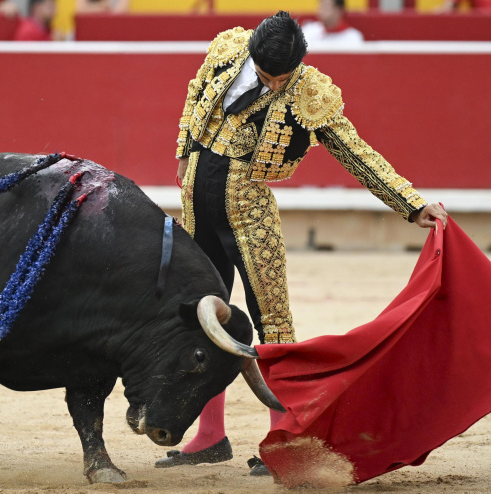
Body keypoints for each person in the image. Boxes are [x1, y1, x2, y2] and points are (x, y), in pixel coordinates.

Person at [161, 11, 447, 476]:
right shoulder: (228, 50)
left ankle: (285, 442)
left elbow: (353, 150)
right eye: (266, 77)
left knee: (273, 322)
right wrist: (183, 150)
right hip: (196, 202)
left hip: (249, 214)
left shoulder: (309, 92)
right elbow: (196, 95)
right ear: (252, 56)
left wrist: (410, 204)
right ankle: (210, 435)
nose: (275, 85)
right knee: (201, 317)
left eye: (283, 78)